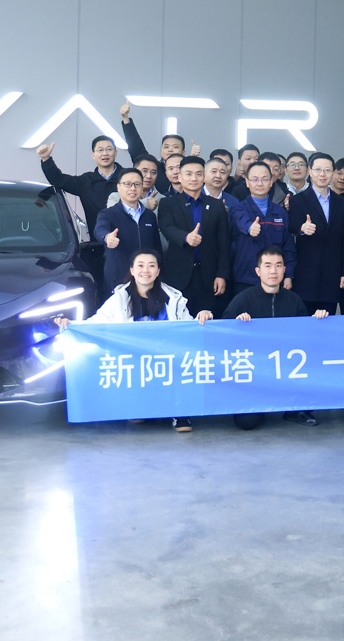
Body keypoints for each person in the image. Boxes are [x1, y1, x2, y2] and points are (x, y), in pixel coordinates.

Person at [62, 250, 213, 433]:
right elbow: (97, 322)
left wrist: (202, 316)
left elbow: (188, 327)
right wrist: (72, 325)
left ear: (158, 271)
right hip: (134, 358)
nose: (145, 271)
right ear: (132, 270)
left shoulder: (172, 298)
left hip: (167, 357)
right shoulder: (119, 299)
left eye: (151, 266)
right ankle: (139, 406)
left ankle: (180, 413)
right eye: (140, 265)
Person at [223, 246, 327, 429]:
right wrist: (237, 324)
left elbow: (307, 338)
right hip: (254, 372)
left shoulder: (294, 300)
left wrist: (317, 320)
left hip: (288, 369)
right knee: (246, 422)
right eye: (268, 266)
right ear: (258, 271)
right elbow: (223, 334)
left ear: (284, 270)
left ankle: (294, 410)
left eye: (278, 265)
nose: (273, 271)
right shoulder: (243, 299)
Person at [36, 130, 129, 301]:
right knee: (101, 291)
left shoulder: (127, 178)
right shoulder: (86, 181)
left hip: (128, 244)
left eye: (109, 149)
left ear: (116, 152)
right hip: (98, 246)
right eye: (100, 150)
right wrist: (46, 159)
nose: (105, 153)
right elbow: (59, 180)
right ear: (93, 155)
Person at [157, 155, 231, 318]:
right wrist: (185, 237)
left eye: (198, 174)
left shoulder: (216, 205)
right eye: (188, 174)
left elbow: (224, 242)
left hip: (209, 276)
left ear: (204, 177)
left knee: (208, 320)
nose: (193, 178)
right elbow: (166, 227)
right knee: (179, 321)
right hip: (178, 275)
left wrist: (222, 274)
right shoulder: (168, 204)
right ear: (180, 177)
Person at [287, 152, 344, 314]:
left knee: (328, 319)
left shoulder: (341, 203)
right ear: (310, 171)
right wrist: (302, 229)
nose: (322, 174)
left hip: (332, 274)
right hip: (306, 274)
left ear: (332, 173)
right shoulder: (297, 200)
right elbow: (291, 229)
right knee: (304, 320)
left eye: (327, 170)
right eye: (318, 170)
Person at [229, 161, 295, 296]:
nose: (260, 183)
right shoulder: (237, 209)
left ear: (271, 182)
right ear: (247, 182)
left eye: (264, 179)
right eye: (255, 179)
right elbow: (241, 221)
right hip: (245, 278)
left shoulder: (280, 213)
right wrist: (249, 228)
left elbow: (288, 246)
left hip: (274, 279)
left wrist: (288, 275)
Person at [93, 168, 161, 296]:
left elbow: (156, 247)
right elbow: (99, 229)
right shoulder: (108, 214)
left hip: (145, 278)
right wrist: (107, 237)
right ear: (118, 187)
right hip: (118, 278)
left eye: (137, 184)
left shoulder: (149, 216)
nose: (133, 188)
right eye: (128, 184)